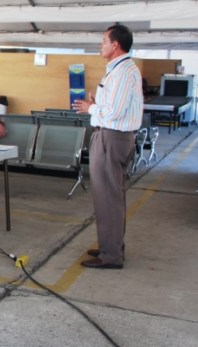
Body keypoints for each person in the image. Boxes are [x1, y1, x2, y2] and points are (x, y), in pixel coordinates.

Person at [72, 25, 142, 270]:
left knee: (109, 198)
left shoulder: (123, 72)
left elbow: (114, 112)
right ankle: (109, 246)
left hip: (113, 137)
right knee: (106, 197)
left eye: (103, 41)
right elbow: (113, 107)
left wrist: (91, 108)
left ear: (116, 45)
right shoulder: (117, 70)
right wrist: (95, 103)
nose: (100, 45)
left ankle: (111, 255)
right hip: (108, 135)